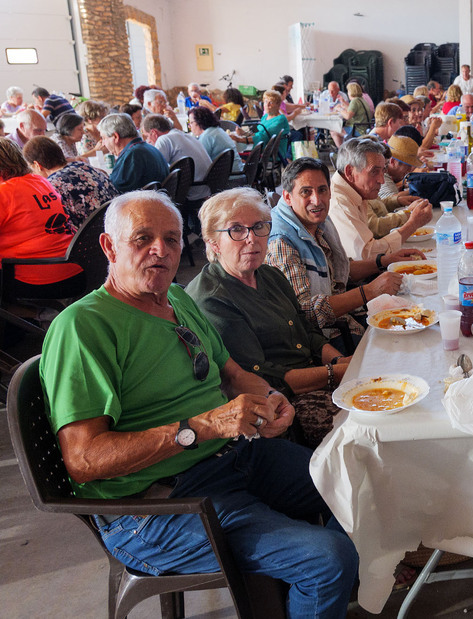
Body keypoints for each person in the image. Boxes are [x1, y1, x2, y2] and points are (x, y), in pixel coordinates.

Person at [39, 190, 358, 616]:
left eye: (172, 239)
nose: (161, 250)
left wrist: (272, 400)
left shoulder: (177, 299)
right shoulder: (82, 327)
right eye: (142, 239)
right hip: (155, 507)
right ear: (108, 246)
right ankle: (314, 582)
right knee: (328, 559)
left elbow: (233, 375)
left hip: (231, 462)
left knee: (358, 484)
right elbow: (84, 459)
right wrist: (205, 426)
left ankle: (302, 596)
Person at [186, 188, 350, 448]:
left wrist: (341, 360)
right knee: (364, 427)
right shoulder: (212, 299)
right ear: (213, 242)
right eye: (236, 230)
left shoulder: (270, 275)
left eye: (259, 227)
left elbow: (307, 332)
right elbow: (262, 375)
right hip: (281, 401)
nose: (252, 239)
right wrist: (340, 372)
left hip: (319, 374)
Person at [265, 158, 423, 346]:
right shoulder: (282, 242)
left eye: (322, 190)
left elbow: (340, 270)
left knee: (417, 320)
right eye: (306, 192)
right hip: (323, 341)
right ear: (288, 197)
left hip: (347, 319)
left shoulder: (317, 222)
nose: (316, 200)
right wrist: (369, 291)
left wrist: (385, 260)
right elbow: (304, 313)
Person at [0, 137, 83, 298]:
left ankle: (32, 315)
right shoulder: (40, 181)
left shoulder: (5, 193)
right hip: (75, 268)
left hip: (40, 280)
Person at [329, 138, 433, 260]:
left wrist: (396, 201)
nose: (382, 180)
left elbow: (376, 205)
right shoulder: (339, 203)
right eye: (374, 172)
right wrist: (412, 223)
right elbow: (367, 255)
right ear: (349, 172)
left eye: (383, 171)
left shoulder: (356, 189)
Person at [22, 136, 118, 229]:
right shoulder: (84, 166)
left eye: (32, 169)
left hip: (95, 235)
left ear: (37, 165)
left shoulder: (52, 186)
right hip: (117, 222)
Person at [142, 114, 212, 201]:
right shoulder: (183, 134)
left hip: (192, 193)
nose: (147, 141)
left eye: (147, 136)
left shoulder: (164, 139)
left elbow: (156, 171)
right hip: (207, 188)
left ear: (154, 133)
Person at [98, 113, 168, 192]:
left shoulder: (133, 155)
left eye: (104, 138)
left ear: (115, 137)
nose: (103, 143)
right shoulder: (145, 147)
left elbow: (114, 190)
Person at [188, 106, 244, 174]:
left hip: (229, 179)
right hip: (238, 173)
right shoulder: (218, 130)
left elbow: (199, 165)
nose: (189, 126)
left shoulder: (207, 137)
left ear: (199, 122)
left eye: (191, 123)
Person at [253, 90, 293, 159]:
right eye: (265, 101)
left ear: (278, 105)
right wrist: (244, 133)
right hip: (262, 149)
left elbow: (263, 137)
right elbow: (260, 133)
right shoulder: (266, 116)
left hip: (272, 153)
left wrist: (242, 139)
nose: (267, 105)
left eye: (271, 102)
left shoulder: (280, 120)